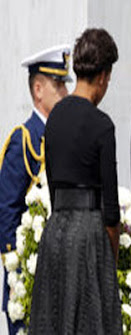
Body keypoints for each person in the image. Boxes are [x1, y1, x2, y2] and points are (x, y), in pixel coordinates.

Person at [29, 28, 122, 334]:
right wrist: (109, 263)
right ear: (103, 76)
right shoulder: (102, 125)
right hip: (89, 238)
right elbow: (111, 211)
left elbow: (54, 185)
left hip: (55, 235)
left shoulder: (54, 118)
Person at [0, 44, 71, 335]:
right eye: (58, 86)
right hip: (28, 282)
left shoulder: (62, 137)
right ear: (38, 89)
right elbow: (7, 213)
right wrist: (19, 273)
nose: (65, 94)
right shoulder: (24, 139)